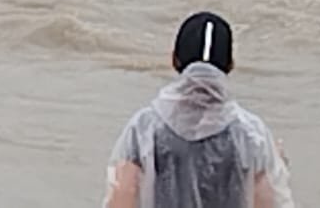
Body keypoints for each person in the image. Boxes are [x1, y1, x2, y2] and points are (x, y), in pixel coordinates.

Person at [102, 12, 293, 208]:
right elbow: (269, 202)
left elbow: (122, 195)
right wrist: (274, 162)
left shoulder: (144, 128)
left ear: (174, 60)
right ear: (230, 65)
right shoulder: (251, 134)